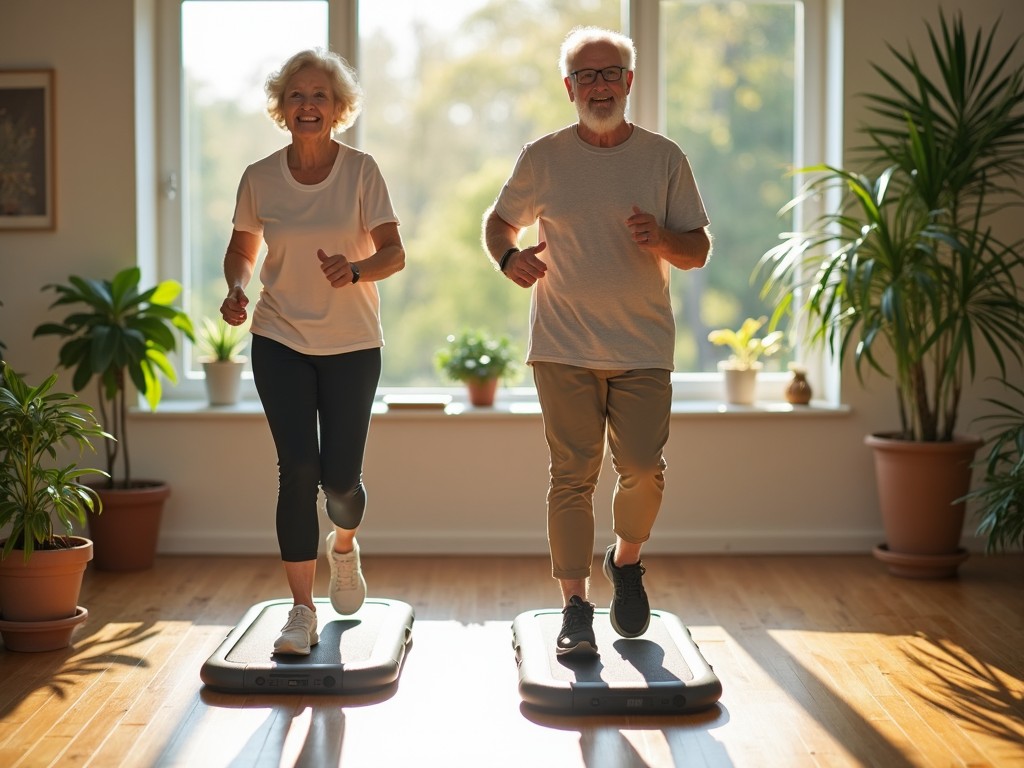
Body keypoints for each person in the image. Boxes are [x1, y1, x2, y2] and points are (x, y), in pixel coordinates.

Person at [482, 27, 711, 657]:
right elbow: (498, 223)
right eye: (586, 76)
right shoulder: (543, 156)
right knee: (572, 477)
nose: (600, 85)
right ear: (568, 88)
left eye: (610, 73)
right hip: (561, 343)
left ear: (630, 82)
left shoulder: (664, 157)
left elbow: (697, 249)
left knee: (642, 467)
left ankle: (626, 561)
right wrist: (508, 259)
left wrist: (660, 238)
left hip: (641, 346)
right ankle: (575, 608)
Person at [219, 48, 405, 655]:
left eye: (319, 95)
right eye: (297, 95)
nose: (308, 105)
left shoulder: (361, 171)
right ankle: (302, 611)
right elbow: (243, 249)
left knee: (340, 482)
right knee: (297, 470)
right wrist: (237, 289)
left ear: (338, 108)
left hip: (352, 343)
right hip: (280, 338)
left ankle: (344, 546)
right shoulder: (260, 176)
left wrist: (353, 271)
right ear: (282, 106)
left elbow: (393, 254)